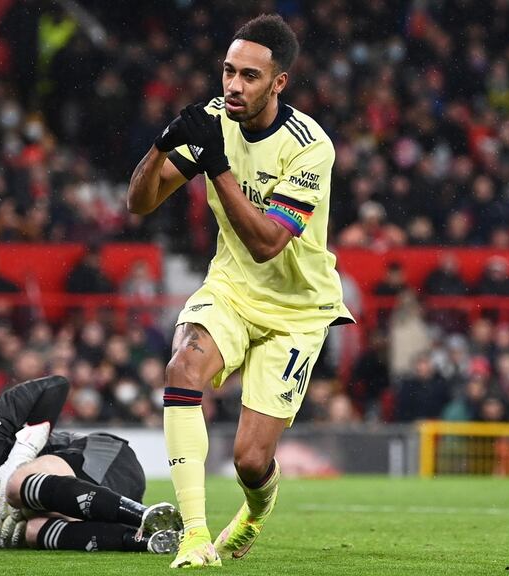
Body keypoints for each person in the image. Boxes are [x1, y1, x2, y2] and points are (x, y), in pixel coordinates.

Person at [126, 14, 353, 568]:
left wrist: (217, 166)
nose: (233, 85)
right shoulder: (214, 118)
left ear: (278, 83)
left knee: (250, 461)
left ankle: (254, 511)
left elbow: (268, 243)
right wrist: (161, 146)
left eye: (250, 76)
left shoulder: (310, 147)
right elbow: (140, 203)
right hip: (231, 287)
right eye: (228, 71)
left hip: (297, 309)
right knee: (183, 367)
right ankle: (194, 536)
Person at [0, 376, 182, 552]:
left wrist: (20, 455)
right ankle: (145, 540)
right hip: (93, 509)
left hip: (106, 460)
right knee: (32, 531)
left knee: (16, 485)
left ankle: (145, 515)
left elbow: (55, 385)